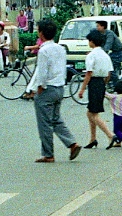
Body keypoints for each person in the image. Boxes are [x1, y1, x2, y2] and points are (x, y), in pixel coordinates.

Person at [26, 19, 81, 163]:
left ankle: (48, 154)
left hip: (47, 88)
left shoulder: (43, 51)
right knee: (56, 119)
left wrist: (38, 88)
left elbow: (42, 72)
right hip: (59, 87)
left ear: (41, 33)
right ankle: (72, 143)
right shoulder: (60, 48)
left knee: (44, 123)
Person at [77, 29, 117, 148]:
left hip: (94, 83)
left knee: (93, 114)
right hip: (101, 82)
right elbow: (109, 73)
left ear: (92, 41)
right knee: (91, 112)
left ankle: (110, 135)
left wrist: (82, 89)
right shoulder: (105, 55)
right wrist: (103, 84)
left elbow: (89, 73)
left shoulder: (91, 55)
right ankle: (93, 139)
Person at [105, 81, 122, 148]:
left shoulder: (114, 97)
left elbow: (107, 95)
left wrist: (103, 89)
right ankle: (118, 142)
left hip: (117, 116)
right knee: (120, 129)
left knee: (116, 130)